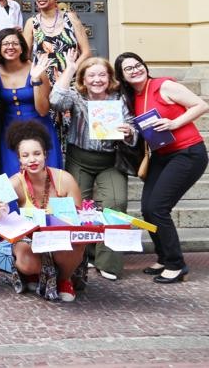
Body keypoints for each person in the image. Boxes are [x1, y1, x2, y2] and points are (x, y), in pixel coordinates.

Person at [116, 52, 209, 284]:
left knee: (158, 207)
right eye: (129, 69)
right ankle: (164, 257)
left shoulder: (163, 85)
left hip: (187, 153)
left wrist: (174, 123)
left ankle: (176, 264)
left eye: (138, 65)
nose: (136, 70)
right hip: (161, 154)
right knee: (147, 208)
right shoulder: (133, 97)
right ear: (122, 77)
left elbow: (201, 105)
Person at [51, 52, 137, 280]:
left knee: (116, 202)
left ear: (110, 78)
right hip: (79, 158)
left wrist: (129, 133)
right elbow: (56, 101)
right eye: (92, 76)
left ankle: (109, 262)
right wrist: (69, 69)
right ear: (84, 79)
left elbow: (133, 127)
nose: (97, 80)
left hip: (110, 161)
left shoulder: (119, 100)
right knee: (79, 208)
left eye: (102, 75)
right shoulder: (76, 97)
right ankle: (84, 255)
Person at [0, 120, 86, 302]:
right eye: (26, 155)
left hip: (60, 240)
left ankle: (64, 279)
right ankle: (34, 274)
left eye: (37, 153)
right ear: (19, 159)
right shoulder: (15, 182)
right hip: (32, 240)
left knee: (75, 245)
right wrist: (0, 211)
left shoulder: (65, 179)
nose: (32, 160)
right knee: (24, 257)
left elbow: (80, 219)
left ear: (45, 154)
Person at [0, 30, 61, 174]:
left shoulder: (37, 70)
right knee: (12, 176)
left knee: (47, 177)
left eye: (15, 43)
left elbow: (43, 110)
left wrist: (35, 80)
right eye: (6, 44)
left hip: (41, 132)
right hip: (10, 136)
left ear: (22, 47)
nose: (11, 47)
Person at [23, 0, 91, 83]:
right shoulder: (31, 23)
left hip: (70, 81)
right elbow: (24, 57)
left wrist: (70, 71)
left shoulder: (71, 18)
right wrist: (35, 74)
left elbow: (86, 52)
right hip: (43, 83)